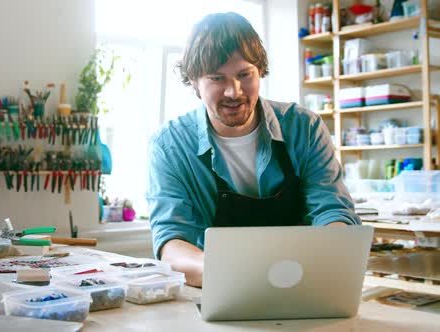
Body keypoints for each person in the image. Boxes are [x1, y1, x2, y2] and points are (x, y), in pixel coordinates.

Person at [146, 12, 360, 288]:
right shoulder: (169, 146)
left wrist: (326, 259)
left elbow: (333, 211)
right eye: (216, 78)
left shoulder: (304, 128)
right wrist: (233, 273)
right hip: (218, 288)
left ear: (260, 71)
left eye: (244, 74)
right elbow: (172, 242)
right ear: (195, 82)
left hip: (305, 283)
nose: (233, 92)